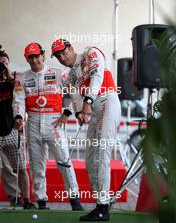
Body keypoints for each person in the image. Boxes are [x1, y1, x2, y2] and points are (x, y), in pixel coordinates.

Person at [51, 39, 121, 221]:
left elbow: (97, 75)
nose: (61, 57)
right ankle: (100, 205)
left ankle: (103, 208)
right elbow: (74, 95)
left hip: (107, 102)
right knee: (90, 160)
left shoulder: (91, 52)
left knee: (101, 154)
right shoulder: (72, 75)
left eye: (63, 52)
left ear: (71, 48)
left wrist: (87, 102)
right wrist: (78, 112)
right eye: (57, 56)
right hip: (95, 112)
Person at [13, 42, 83, 210]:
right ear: (27, 59)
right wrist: (18, 117)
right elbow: (18, 101)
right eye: (31, 57)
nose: (35, 60)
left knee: (64, 162)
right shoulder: (21, 78)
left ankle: (75, 201)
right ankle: (41, 202)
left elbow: (74, 93)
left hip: (54, 124)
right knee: (37, 166)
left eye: (37, 56)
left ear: (43, 55)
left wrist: (67, 113)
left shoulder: (59, 74)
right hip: (33, 124)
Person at [0, 45, 35, 209]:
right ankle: (14, 198)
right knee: (4, 169)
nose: (1, 66)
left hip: (12, 130)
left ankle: (27, 200)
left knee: (20, 167)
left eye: (4, 63)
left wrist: (8, 72)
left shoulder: (15, 81)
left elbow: (21, 96)